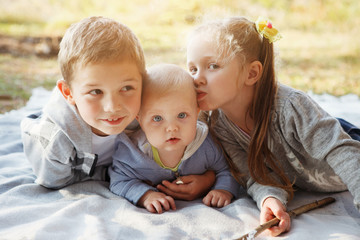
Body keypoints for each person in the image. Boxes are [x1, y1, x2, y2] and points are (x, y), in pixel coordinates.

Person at [181, 16, 360, 236]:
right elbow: (253, 174)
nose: (197, 78)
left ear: (252, 73)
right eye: (192, 69)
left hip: (350, 143)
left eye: (212, 66)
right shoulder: (218, 123)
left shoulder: (290, 107)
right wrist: (270, 199)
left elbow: (345, 153)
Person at [20, 16, 146, 189]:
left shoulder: (148, 112)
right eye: (96, 91)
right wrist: (115, 174)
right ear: (68, 92)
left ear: (143, 81)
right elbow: (54, 182)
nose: (113, 106)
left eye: (126, 88)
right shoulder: (57, 143)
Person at [108, 63, 241, 214]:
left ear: (197, 112)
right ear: (140, 119)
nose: (172, 128)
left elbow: (227, 170)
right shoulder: (132, 151)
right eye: (157, 118)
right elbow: (119, 180)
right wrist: (146, 195)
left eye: (182, 115)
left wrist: (223, 189)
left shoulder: (206, 144)